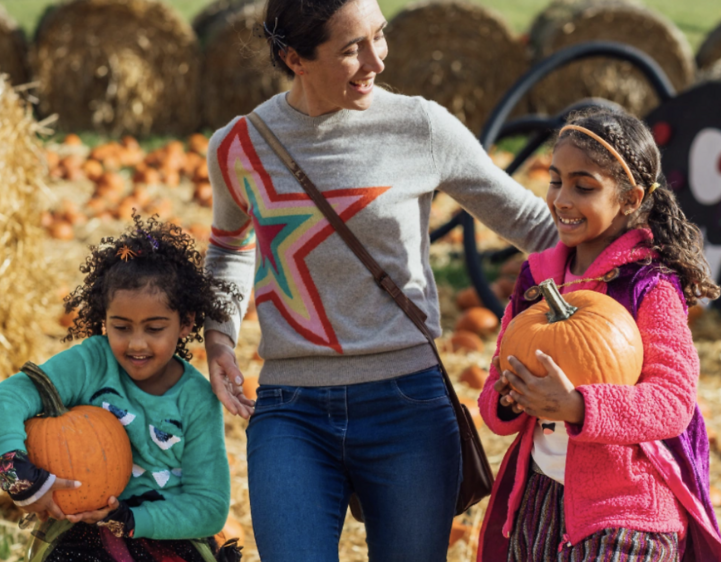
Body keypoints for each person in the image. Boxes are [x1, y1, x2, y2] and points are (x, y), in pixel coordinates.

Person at [203, 0, 558, 560]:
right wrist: (219, 333)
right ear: (296, 58)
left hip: (407, 405)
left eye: (380, 37)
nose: (377, 60)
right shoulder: (238, 146)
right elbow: (230, 245)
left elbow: (535, 225)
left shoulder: (421, 126)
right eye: (351, 49)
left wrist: (635, 262)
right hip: (290, 409)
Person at [477, 108, 721, 561]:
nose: (561, 199)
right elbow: (494, 393)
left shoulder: (649, 286)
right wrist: (510, 397)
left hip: (627, 508)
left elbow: (672, 402)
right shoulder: (536, 279)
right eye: (555, 180)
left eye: (583, 186)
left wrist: (576, 406)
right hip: (538, 502)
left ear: (630, 198)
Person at [0, 214, 238, 562]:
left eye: (155, 328)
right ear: (104, 321)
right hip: (80, 537)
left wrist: (131, 520)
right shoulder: (93, 362)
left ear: (186, 322)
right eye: (121, 327)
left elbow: (209, 507)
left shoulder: (197, 398)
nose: (136, 344)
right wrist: (20, 477)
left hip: (163, 533)